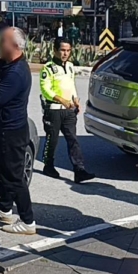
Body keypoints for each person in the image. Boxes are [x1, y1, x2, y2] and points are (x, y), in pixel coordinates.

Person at [0, 27, 36, 235]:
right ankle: (5, 209)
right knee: (3, 171)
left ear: (13, 45)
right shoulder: (7, 64)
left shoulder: (17, 72)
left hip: (12, 131)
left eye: (1, 41)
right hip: (4, 129)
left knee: (14, 176)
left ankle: (28, 221)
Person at [40, 38, 95, 183]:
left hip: (69, 111)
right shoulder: (48, 68)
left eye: (68, 50)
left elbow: (71, 85)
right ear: (55, 50)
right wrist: (61, 100)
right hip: (54, 110)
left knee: (73, 140)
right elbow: (45, 89)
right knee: (52, 140)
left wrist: (75, 98)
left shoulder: (70, 66)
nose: (65, 53)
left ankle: (79, 170)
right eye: (62, 50)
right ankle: (48, 165)